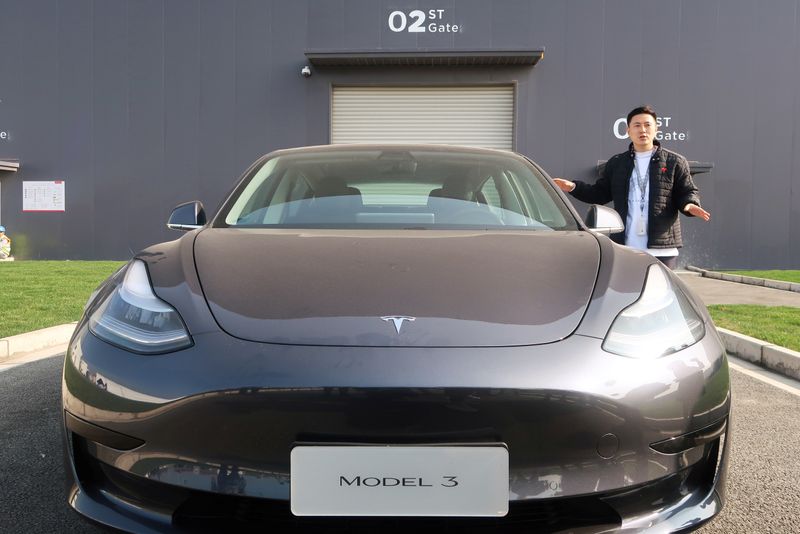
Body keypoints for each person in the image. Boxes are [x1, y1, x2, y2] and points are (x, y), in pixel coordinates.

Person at [553, 105, 710, 269]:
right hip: (626, 246)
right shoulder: (617, 163)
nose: (643, 130)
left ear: (656, 129)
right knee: (626, 293)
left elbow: (687, 191)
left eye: (648, 125)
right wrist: (573, 187)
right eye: (637, 125)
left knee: (661, 293)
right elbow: (599, 193)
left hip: (662, 250)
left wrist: (689, 205)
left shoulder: (674, 162)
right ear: (628, 130)